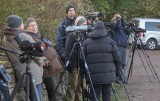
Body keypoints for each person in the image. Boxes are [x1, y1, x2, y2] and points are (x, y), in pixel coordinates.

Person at [3, 15, 45, 101]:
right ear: (18, 25)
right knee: (37, 97)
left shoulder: (5, 39)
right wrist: (42, 64)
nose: (23, 24)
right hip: (33, 71)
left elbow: (9, 57)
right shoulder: (23, 36)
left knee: (30, 97)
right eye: (21, 22)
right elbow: (38, 52)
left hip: (20, 71)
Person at [25, 17, 64, 101]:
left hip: (54, 68)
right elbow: (33, 53)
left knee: (57, 94)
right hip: (48, 70)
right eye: (31, 25)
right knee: (56, 95)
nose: (34, 27)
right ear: (27, 28)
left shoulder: (38, 36)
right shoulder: (29, 38)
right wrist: (44, 59)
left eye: (35, 25)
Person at [83, 21, 121, 101]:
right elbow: (117, 58)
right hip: (108, 73)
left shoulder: (87, 42)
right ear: (104, 29)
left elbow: (82, 59)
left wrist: (84, 74)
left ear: (94, 29)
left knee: (94, 94)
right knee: (107, 93)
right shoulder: (110, 41)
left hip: (92, 74)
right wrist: (117, 72)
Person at [64, 16, 87, 101]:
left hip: (81, 64)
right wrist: (68, 63)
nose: (85, 26)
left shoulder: (85, 35)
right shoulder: (72, 36)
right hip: (74, 65)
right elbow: (67, 50)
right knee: (72, 86)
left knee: (80, 87)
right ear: (79, 25)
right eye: (83, 24)